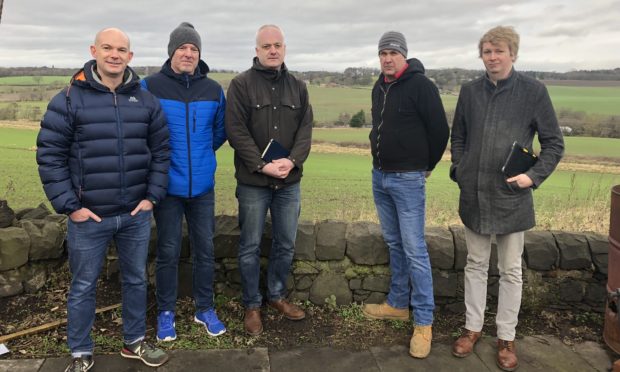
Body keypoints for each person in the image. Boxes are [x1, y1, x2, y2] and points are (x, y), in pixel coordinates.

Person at [36, 28, 170, 371]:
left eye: (121, 49)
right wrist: (71, 206)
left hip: (135, 214)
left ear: (130, 56)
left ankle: (134, 342)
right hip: (88, 216)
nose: (114, 54)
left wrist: (152, 198)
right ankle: (81, 352)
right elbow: (50, 155)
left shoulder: (145, 100)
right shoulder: (68, 98)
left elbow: (161, 152)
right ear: (94, 50)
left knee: (136, 279)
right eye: (108, 48)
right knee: (83, 285)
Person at [449, 26, 564, 371]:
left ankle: (506, 337)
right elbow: (459, 137)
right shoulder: (469, 92)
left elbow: (554, 143)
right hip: (475, 194)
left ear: (513, 54)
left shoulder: (534, 91)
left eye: (499, 51)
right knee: (475, 264)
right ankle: (472, 329)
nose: (492, 57)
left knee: (511, 270)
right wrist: (460, 169)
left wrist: (533, 177)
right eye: (487, 51)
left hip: (513, 197)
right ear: (481, 55)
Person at [362, 31, 449, 359]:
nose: (386, 58)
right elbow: (378, 126)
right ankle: (398, 304)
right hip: (380, 177)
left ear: (404, 56)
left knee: (414, 249)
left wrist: (426, 166)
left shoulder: (421, 86)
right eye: (382, 52)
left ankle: (424, 322)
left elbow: (440, 130)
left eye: (392, 53)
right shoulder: (379, 86)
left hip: (408, 179)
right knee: (395, 243)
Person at [140, 22, 227, 342]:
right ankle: (166, 312)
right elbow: (144, 132)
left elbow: (219, 133)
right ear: (171, 52)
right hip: (166, 186)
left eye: (194, 49)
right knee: (168, 251)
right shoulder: (150, 86)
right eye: (183, 48)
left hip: (203, 187)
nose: (188, 53)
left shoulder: (213, 89)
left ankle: (204, 308)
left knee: (205, 249)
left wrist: (201, 156)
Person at [225, 24, 313, 336]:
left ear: (284, 48)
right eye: (266, 46)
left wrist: (291, 161)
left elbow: (305, 129)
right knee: (249, 245)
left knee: (286, 242)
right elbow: (235, 130)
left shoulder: (298, 87)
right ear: (257, 50)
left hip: (289, 182)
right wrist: (262, 166)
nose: (272, 50)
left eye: (277, 45)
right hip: (253, 182)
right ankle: (252, 304)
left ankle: (275, 295)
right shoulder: (240, 85)